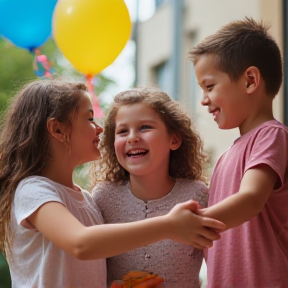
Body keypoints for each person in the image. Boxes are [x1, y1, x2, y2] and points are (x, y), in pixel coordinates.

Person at [0, 79, 226, 288]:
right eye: (89, 119)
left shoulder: (87, 201)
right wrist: (169, 226)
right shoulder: (32, 191)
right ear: (58, 129)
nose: (99, 128)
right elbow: (81, 244)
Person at [189, 17, 288, 287]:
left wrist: (188, 224)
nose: (203, 99)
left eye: (209, 86)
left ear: (250, 81)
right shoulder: (227, 156)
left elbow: (251, 199)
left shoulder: (271, 135)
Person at [92, 87, 211, 288]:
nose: (132, 138)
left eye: (145, 127)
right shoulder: (102, 197)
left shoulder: (197, 195)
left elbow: (219, 264)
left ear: (174, 139)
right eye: (122, 131)